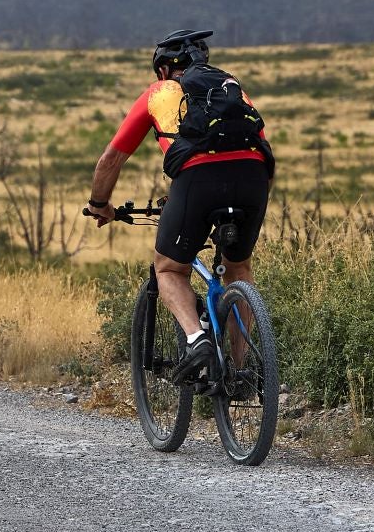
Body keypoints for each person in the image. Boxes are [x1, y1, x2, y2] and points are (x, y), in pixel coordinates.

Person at [85, 29, 273, 383]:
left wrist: (100, 205)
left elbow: (111, 160)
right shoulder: (232, 88)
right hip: (254, 178)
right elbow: (262, 149)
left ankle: (196, 339)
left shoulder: (159, 93)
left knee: (169, 269)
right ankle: (240, 369)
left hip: (198, 181)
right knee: (238, 267)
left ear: (163, 71)